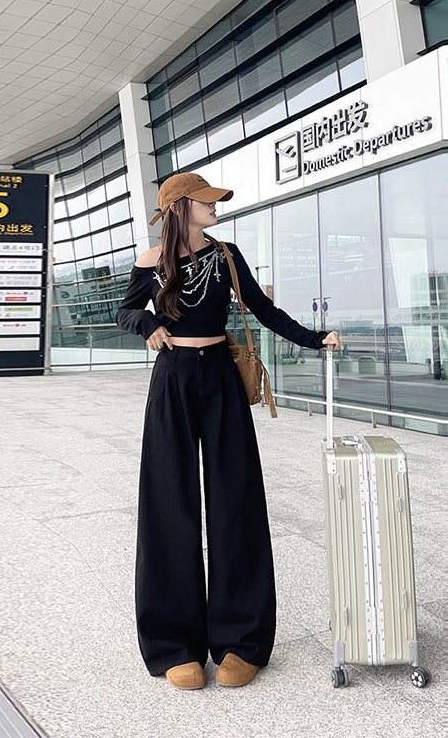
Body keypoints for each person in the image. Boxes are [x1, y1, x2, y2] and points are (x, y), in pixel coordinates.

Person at [115, 172, 341, 690]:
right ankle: (175, 645)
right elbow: (124, 311)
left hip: (221, 376)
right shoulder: (151, 261)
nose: (216, 207)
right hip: (172, 379)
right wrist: (148, 324)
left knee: (236, 500)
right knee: (168, 502)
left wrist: (314, 339)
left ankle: (242, 640)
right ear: (180, 207)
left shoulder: (228, 256)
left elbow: (264, 311)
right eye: (207, 201)